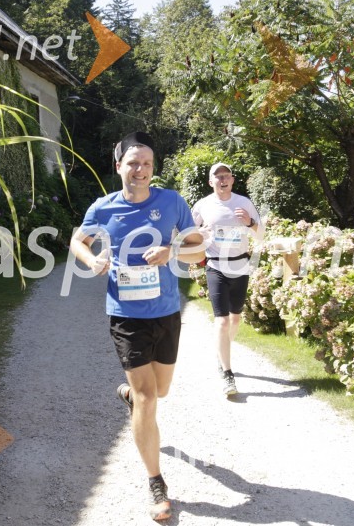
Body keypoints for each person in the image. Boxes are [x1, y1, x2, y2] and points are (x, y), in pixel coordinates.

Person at [69, 132, 204, 521]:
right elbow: (77, 240)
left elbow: (198, 249)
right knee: (149, 400)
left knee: (159, 391)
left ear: (152, 167)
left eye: (146, 162)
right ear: (119, 167)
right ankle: (156, 482)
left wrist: (172, 250)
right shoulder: (104, 207)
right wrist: (92, 259)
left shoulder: (172, 201)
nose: (140, 169)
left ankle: (130, 395)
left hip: (165, 312)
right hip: (126, 316)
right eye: (132, 162)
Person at [191, 162, 261, 397]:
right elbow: (188, 233)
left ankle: (222, 353)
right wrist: (198, 234)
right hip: (215, 266)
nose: (223, 179)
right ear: (210, 182)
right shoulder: (203, 205)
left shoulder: (243, 203)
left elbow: (261, 234)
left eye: (227, 175)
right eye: (218, 176)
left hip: (241, 267)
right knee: (221, 321)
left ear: (232, 180)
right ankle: (227, 373)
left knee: (235, 321)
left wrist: (250, 223)